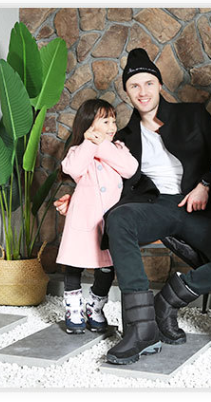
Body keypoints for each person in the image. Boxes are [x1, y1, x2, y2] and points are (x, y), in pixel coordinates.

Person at [54, 48, 211, 365]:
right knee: (119, 220)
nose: (142, 91)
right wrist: (77, 197)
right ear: (127, 92)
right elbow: (106, 180)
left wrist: (205, 185)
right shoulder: (122, 138)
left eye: (149, 83)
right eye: (134, 86)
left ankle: (167, 301)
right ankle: (141, 329)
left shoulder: (193, 114)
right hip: (155, 206)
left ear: (159, 84)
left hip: (197, 205)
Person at [56, 99, 138, 334]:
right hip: (83, 220)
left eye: (113, 121)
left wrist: (102, 144)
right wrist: (90, 142)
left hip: (108, 222)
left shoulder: (118, 149)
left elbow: (130, 169)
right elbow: (73, 168)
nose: (112, 126)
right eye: (105, 121)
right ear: (89, 124)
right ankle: (73, 309)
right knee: (74, 266)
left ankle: (95, 307)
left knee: (106, 267)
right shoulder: (79, 151)